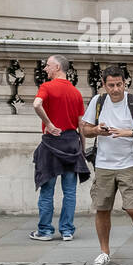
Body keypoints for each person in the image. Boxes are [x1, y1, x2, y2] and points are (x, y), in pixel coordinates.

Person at [79, 66, 133, 265]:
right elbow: (85, 129)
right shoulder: (98, 102)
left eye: (119, 84)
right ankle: (104, 252)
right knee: (102, 208)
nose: (115, 89)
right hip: (104, 164)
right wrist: (97, 130)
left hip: (130, 163)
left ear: (125, 83)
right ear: (104, 85)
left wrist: (129, 132)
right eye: (111, 85)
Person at [30, 54, 88, 241]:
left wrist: (48, 123)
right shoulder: (76, 93)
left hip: (52, 142)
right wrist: (82, 149)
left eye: (47, 65)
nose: (45, 69)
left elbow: (36, 104)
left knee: (47, 189)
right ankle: (67, 231)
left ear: (57, 67)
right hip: (72, 143)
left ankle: (45, 231)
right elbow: (81, 125)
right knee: (69, 192)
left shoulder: (46, 87)